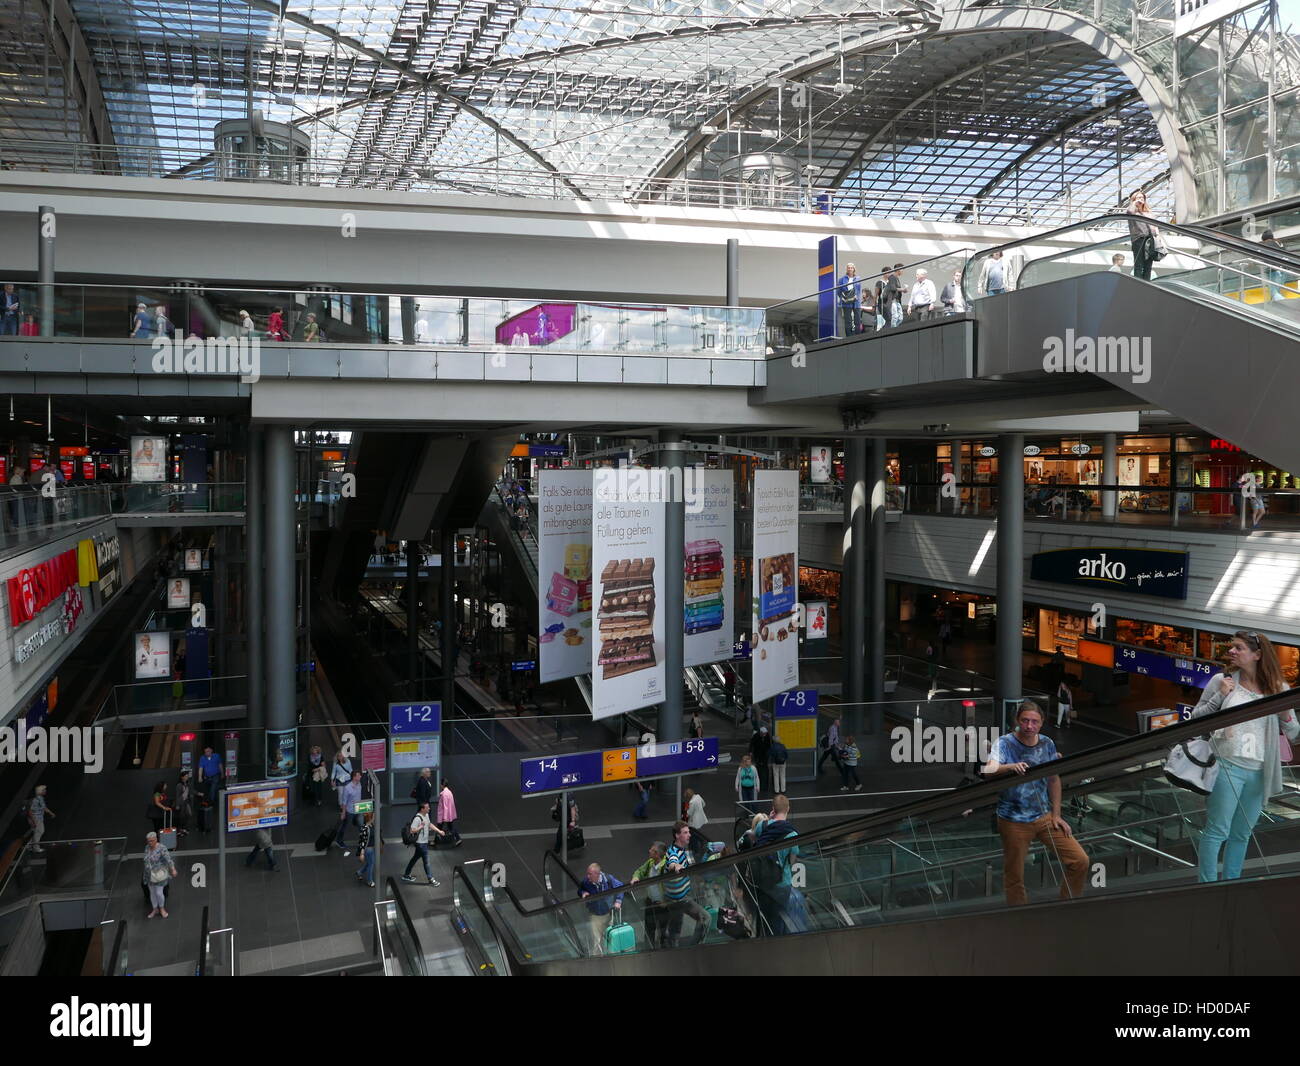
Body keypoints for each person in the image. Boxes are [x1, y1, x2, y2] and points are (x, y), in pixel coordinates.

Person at [1190, 631, 1299, 882]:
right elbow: (1197, 718)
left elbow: (1294, 733)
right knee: (1217, 831)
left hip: (1260, 771)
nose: (1232, 652)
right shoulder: (1222, 680)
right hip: (1228, 765)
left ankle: (1231, 883)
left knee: (1242, 833)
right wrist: (1221, 695)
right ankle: (1207, 886)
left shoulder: (1278, 688)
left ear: (1257, 655)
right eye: (1232, 647)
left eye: (1238, 648)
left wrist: (1284, 715)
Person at [982, 700, 1089, 906]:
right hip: (1013, 820)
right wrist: (1011, 766)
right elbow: (988, 770)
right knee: (1014, 876)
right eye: (1025, 721)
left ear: (1041, 723)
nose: (1029, 726)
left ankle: (1067, 906)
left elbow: (1053, 779)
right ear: (1017, 721)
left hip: (1043, 817)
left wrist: (1056, 814)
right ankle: (1020, 918)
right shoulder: (1004, 743)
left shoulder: (1047, 744)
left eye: (1034, 722)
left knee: (1079, 860)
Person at [751, 794, 808, 936]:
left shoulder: (761, 826)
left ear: (773, 809)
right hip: (782, 883)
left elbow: (757, 841)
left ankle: (760, 941)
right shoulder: (792, 834)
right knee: (778, 918)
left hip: (762, 881)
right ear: (788, 808)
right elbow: (792, 860)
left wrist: (769, 820)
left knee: (762, 916)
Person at [664, 821, 711, 947]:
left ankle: (686, 947)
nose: (689, 835)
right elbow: (672, 862)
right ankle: (690, 947)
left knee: (677, 928)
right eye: (685, 833)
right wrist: (676, 866)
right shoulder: (673, 851)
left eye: (689, 832)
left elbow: (691, 865)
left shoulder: (684, 850)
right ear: (677, 836)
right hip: (677, 900)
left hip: (681, 897)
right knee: (703, 919)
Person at [578, 862, 625, 955]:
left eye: (590, 874)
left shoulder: (608, 879)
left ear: (597, 874)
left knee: (610, 937)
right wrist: (583, 893)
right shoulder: (586, 882)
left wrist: (618, 901)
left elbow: (620, 886)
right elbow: (580, 889)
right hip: (595, 915)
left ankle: (612, 955)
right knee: (596, 940)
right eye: (587, 874)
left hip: (608, 913)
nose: (587, 876)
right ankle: (598, 959)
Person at [629, 842, 670, 949]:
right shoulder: (650, 862)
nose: (649, 851)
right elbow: (640, 871)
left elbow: (672, 885)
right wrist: (636, 877)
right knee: (649, 929)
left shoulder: (666, 866)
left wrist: (666, 901)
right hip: (650, 902)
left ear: (657, 854)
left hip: (662, 905)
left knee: (663, 929)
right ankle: (649, 949)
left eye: (652, 850)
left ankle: (663, 948)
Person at [401, 801, 446, 885]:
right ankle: (431, 878)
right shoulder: (417, 818)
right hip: (420, 843)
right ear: (422, 809)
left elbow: (429, 824)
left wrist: (439, 831)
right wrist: (421, 826)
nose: (429, 808)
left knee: (415, 858)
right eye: (427, 807)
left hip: (424, 842)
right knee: (426, 861)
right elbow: (412, 830)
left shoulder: (426, 815)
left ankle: (406, 874)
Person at [142, 832, 177, 919]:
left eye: (152, 841)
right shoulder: (147, 848)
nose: (150, 843)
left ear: (156, 839)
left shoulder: (162, 848)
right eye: (148, 841)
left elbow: (168, 859)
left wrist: (172, 869)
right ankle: (155, 908)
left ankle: (161, 908)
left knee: (159, 892)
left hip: (159, 874)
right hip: (149, 874)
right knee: (152, 893)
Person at [1127, 189, 1158, 281]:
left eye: (1142, 197)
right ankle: (1139, 285)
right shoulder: (1133, 212)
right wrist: (1135, 203)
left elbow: (1155, 227)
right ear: (1134, 199)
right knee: (1139, 264)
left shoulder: (1149, 213)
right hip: (1138, 240)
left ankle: (1147, 284)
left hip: (1150, 240)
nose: (1141, 199)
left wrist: (1158, 239)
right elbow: (1130, 212)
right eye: (1138, 197)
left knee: (1148, 265)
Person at [335, 770, 363, 853]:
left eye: (360, 775)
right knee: (345, 826)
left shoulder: (359, 784)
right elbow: (344, 802)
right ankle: (339, 840)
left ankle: (363, 840)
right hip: (349, 811)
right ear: (354, 777)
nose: (360, 777)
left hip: (358, 809)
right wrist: (343, 813)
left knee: (360, 825)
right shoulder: (347, 788)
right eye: (358, 775)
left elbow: (359, 797)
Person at [26, 784, 54, 852]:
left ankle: (29, 846)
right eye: (44, 790)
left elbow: (43, 808)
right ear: (40, 791)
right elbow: (43, 808)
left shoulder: (39, 798)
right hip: (36, 818)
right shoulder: (38, 799)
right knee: (40, 831)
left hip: (36, 818)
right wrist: (51, 813)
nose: (45, 791)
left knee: (37, 832)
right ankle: (36, 848)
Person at [837, 262, 862, 335]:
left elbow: (859, 289)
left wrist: (857, 296)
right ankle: (849, 336)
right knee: (848, 320)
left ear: (854, 269)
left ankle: (858, 335)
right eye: (848, 267)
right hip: (846, 301)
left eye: (851, 267)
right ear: (846, 269)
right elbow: (839, 291)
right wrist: (844, 297)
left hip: (856, 301)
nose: (850, 269)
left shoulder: (858, 278)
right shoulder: (842, 279)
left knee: (857, 319)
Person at [436, 780, 462, 847]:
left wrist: (444, 817)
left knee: (439, 828)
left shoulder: (443, 794)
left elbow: (445, 806)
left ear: (442, 785)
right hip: (449, 814)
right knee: (450, 827)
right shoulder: (449, 792)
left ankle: (435, 841)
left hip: (443, 815)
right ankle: (458, 838)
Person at [197, 744, 222, 809]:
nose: (206, 753)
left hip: (215, 775)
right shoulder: (202, 758)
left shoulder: (216, 756)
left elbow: (220, 765)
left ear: (211, 751)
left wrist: (222, 773)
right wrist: (199, 777)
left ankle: (211, 803)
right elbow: (201, 768)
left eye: (208, 751)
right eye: (205, 752)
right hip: (207, 777)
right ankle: (208, 801)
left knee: (213, 789)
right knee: (207, 790)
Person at [749, 724, 773, 793]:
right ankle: (759, 783)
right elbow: (752, 744)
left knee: (765, 769)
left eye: (765, 733)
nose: (764, 735)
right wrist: (751, 751)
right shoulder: (756, 736)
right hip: (758, 755)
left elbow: (768, 745)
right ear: (761, 732)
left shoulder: (767, 735)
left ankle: (765, 786)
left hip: (765, 755)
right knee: (759, 769)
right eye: (763, 734)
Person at [356, 812, 376, 887]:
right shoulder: (365, 828)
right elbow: (362, 842)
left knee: (369, 863)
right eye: (373, 817)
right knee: (371, 864)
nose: (374, 818)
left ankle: (359, 872)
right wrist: (362, 854)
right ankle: (369, 881)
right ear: (370, 818)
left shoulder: (371, 825)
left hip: (371, 848)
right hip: (368, 849)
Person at [173, 770, 193, 838]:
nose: (187, 777)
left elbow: (190, 791)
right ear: (182, 777)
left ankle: (183, 828)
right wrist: (177, 805)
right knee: (181, 817)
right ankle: (180, 830)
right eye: (186, 776)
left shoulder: (187, 784)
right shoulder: (179, 785)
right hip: (181, 803)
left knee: (188, 814)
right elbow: (177, 795)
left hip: (186, 802)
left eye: (187, 776)